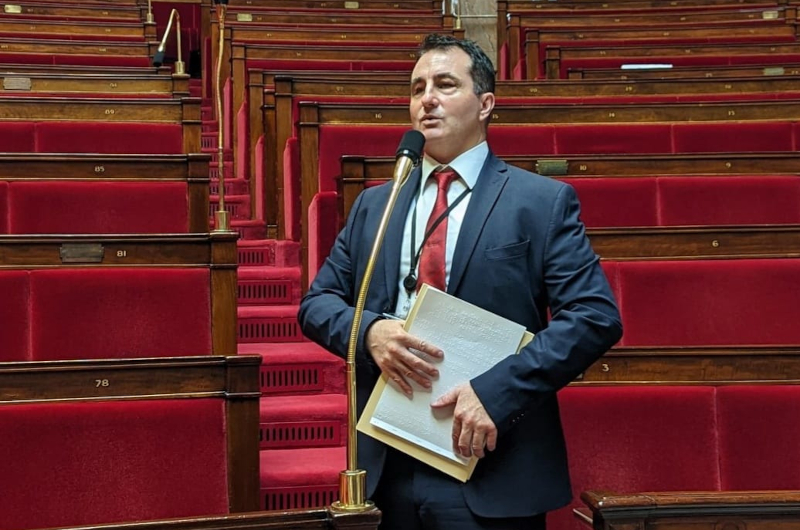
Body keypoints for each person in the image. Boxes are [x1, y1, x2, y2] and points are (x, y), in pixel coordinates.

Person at [298, 33, 622, 530]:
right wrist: (367, 333)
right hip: (388, 464)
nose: (427, 99)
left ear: (486, 103)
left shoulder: (540, 202)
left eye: (446, 84)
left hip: (494, 460)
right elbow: (318, 304)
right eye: (417, 88)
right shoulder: (374, 206)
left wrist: (496, 393)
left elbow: (594, 317)